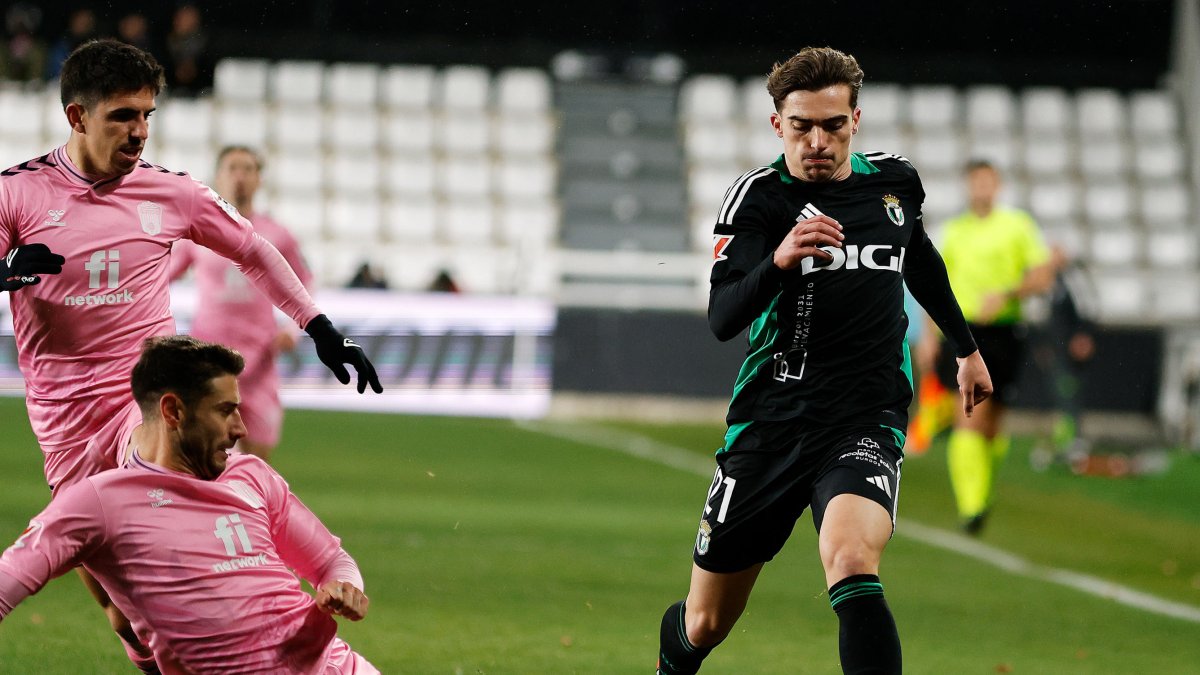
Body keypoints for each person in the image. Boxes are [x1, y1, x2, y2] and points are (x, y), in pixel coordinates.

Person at [0, 39, 379, 669]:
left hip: (144, 400)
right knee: (119, 601)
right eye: (124, 115)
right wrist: (4, 271)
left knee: (192, 493)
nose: (140, 131)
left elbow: (253, 250)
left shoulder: (170, 192)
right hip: (65, 422)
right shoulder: (17, 194)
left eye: (147, 115)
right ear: (77, 117)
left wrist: (319, 326)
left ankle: (280, 634)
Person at [656, 47, 990, 675]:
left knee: (851, 560)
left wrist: (966, 347)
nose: (817, 141)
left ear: (855, 121)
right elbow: (723, 317)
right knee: (706, 622)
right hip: (772, 421)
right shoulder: (757, 200)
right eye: (802, 126)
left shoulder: (895, 184)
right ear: (777, 124)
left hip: (865, 416)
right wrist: (779, 261)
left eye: (832, 125)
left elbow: (918, 257)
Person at [0, 335, 378, 673]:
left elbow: (331, 561)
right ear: (173, 412)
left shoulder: (251, 475)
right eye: (225, 410)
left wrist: (344, 588)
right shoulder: (100, 501)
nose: (240, 429)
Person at [919, 159, 1053, 535]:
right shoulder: (952, 232)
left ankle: (982, 493)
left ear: (997, 186)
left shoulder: (1019, 227)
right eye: (975, 183)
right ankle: (971, 506)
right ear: (967, 187)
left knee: (993, 426)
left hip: (1006, 333)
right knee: (970, 417)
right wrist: (928, 336)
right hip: (961, 332)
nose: (982, 189)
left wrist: (1010, 292)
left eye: (988, 183)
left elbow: (1042, 277)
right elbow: (934, 288)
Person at [170, 146, 313, 460]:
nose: (240, 177)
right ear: (218, 177)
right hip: (208, 361)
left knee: (258, 461)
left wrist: (293, 328)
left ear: (259, 179)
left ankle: (252, 510)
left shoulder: (278, 235)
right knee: (204, 456)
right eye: (232, 168)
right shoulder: (197, 231)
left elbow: (305, 282)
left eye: (248, 169)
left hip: (259, 360)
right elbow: (161, 276)